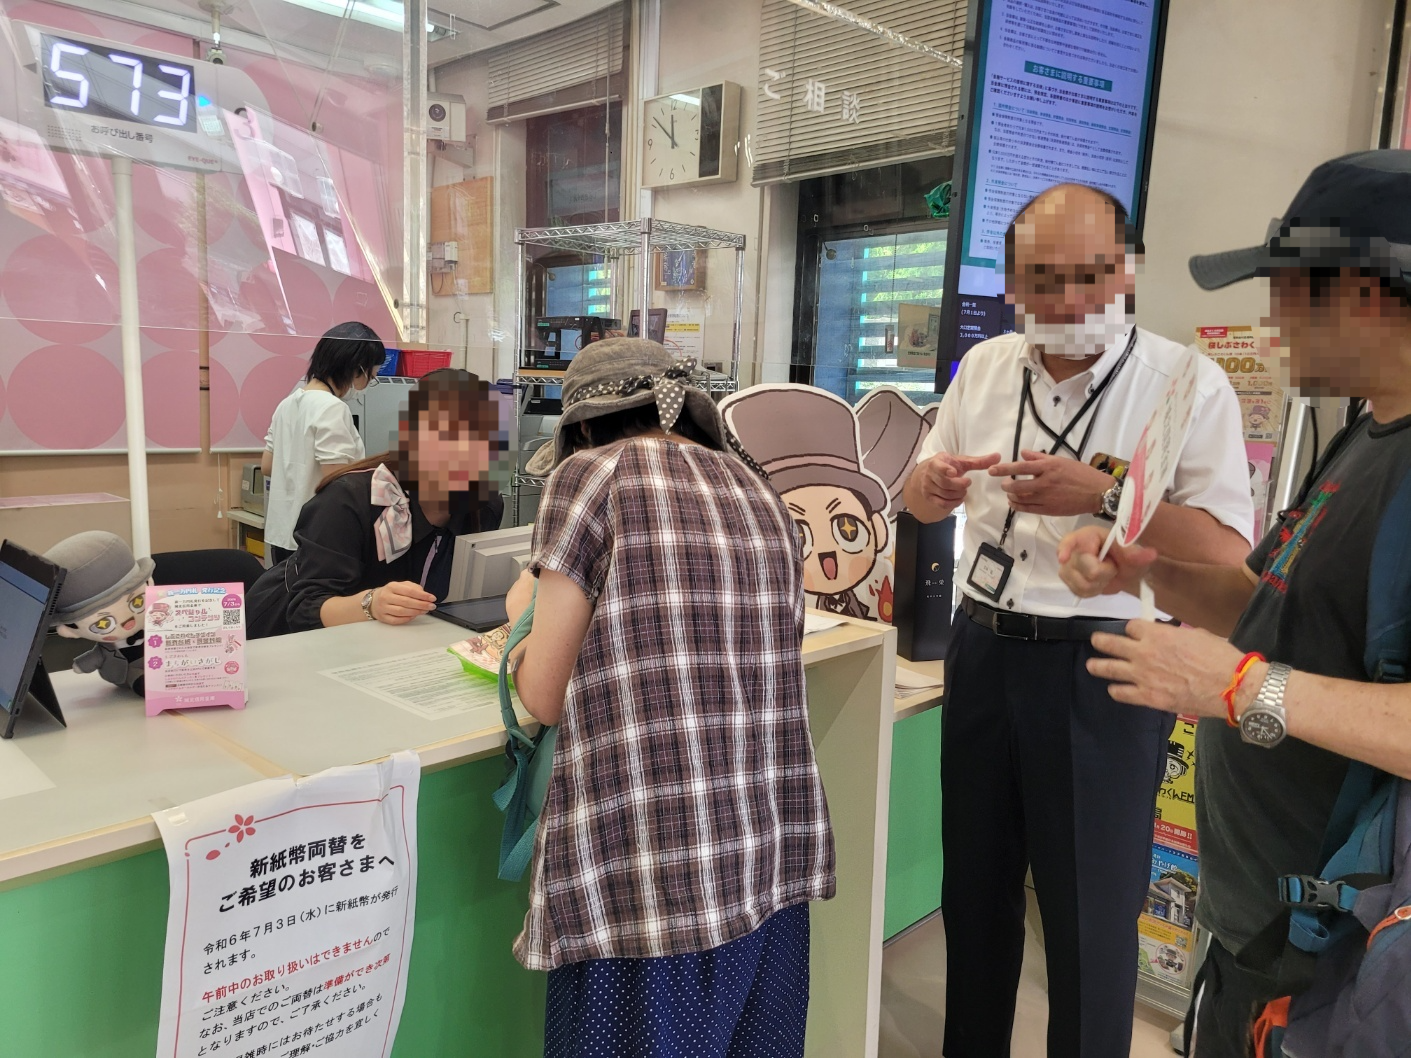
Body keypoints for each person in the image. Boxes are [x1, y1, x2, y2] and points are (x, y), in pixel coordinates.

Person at [1057, 149, 1411, 1057]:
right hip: (1262, 925)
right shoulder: (1364, 433)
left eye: (1288, 288)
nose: (1271, 317)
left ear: (1365, 294)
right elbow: (1270, 601)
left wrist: (1241, 687)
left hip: (1336, 957)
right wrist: (1144, 570)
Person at [899, 183, 1254, 1058]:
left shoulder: (1183, 384)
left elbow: (1221, 552)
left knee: (1090, 918)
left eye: (1091, 274)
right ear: (1011, 283)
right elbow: (913, 492)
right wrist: (930, 488)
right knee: (973, 896)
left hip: (1105, 661)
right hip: (981, 644)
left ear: (1127, 270)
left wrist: (1105, 493)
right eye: (1043, 279)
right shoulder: (983, 367)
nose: (1067, 300)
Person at [504, 338, 835, 1058]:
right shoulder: (760, 492)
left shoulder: (588, 477)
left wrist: (523, 625)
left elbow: (546, 694)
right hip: (767, 864)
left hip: (648, 873)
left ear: (584, 428)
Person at [247, 369, 503, 638]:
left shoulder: (484, 506)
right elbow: (304, 608)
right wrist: (372, 603)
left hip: (386, 646)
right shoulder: (349, 500)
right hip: (285, 640)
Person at [261, 321, 388, 565]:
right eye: (371, 377)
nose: (367, 385)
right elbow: (338, 479)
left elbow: (268, 466)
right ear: (356, 369)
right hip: (316, 535)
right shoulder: (332, 407)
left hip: (283, 534)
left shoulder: (287, 404)